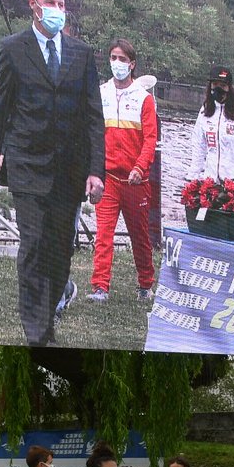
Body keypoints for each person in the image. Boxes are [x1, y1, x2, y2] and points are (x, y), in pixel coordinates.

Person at [0, 0, 105, 347]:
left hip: (69, 171)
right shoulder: (13, 49)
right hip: (26, 167)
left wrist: (97, 170)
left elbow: (94, 117)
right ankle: (37, 334)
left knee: (61, 248)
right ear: (33, 5)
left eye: (62, 5)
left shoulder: (81, 54)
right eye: (51, 4)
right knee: (33, 245)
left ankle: (47, 318)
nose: (58, 11)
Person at [89, 40, 159, 306]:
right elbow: (94, 135)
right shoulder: (100, 92)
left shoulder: (144, 98)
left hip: (135, 181)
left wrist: (140, 168)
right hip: (108, 179)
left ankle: (145, 283)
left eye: (121, 58)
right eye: (112, 57)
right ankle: (99, 287)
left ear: (132, 65)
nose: (116, 62)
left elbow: (150, 140)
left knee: (139, 236)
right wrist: (93, 171)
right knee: (103, 234)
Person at [186, 66, 234, 186]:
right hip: (210, 182)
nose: (218, 89)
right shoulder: (205, 111)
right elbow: (199, 146)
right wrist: (192, 177)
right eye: (215, 85)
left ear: (229, 88)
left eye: (223, 86)